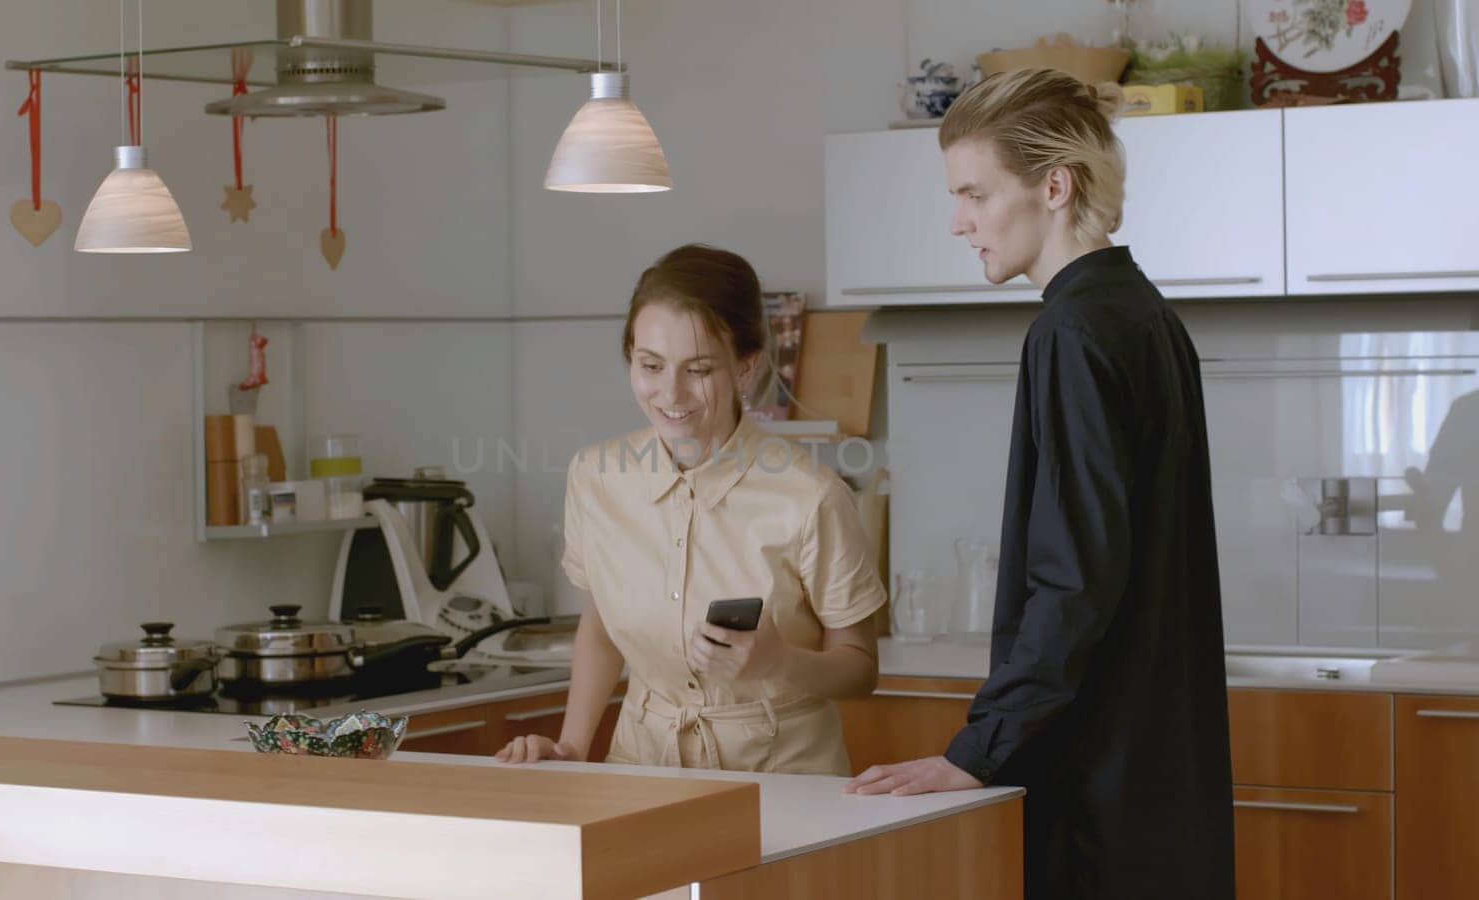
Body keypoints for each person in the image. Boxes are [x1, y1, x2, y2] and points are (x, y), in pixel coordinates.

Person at [846, 68, 1236, 900]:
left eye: (974, 195)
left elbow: (1074, 578)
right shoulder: (1145, 314)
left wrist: (976, 749)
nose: (960, 223)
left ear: (1053, 187)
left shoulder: (1071, 329)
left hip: (1096, 780)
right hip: (1161, 780)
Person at [497, 244, 886, 774]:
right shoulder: (595, 477)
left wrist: (779, 663)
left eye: (698, 369)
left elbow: (861, 670)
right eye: (650, 365)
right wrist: (571, 748)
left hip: (781, 775)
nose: (670, 393)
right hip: (642, 766)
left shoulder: (810, 494)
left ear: (745, 369)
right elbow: (601, 627)